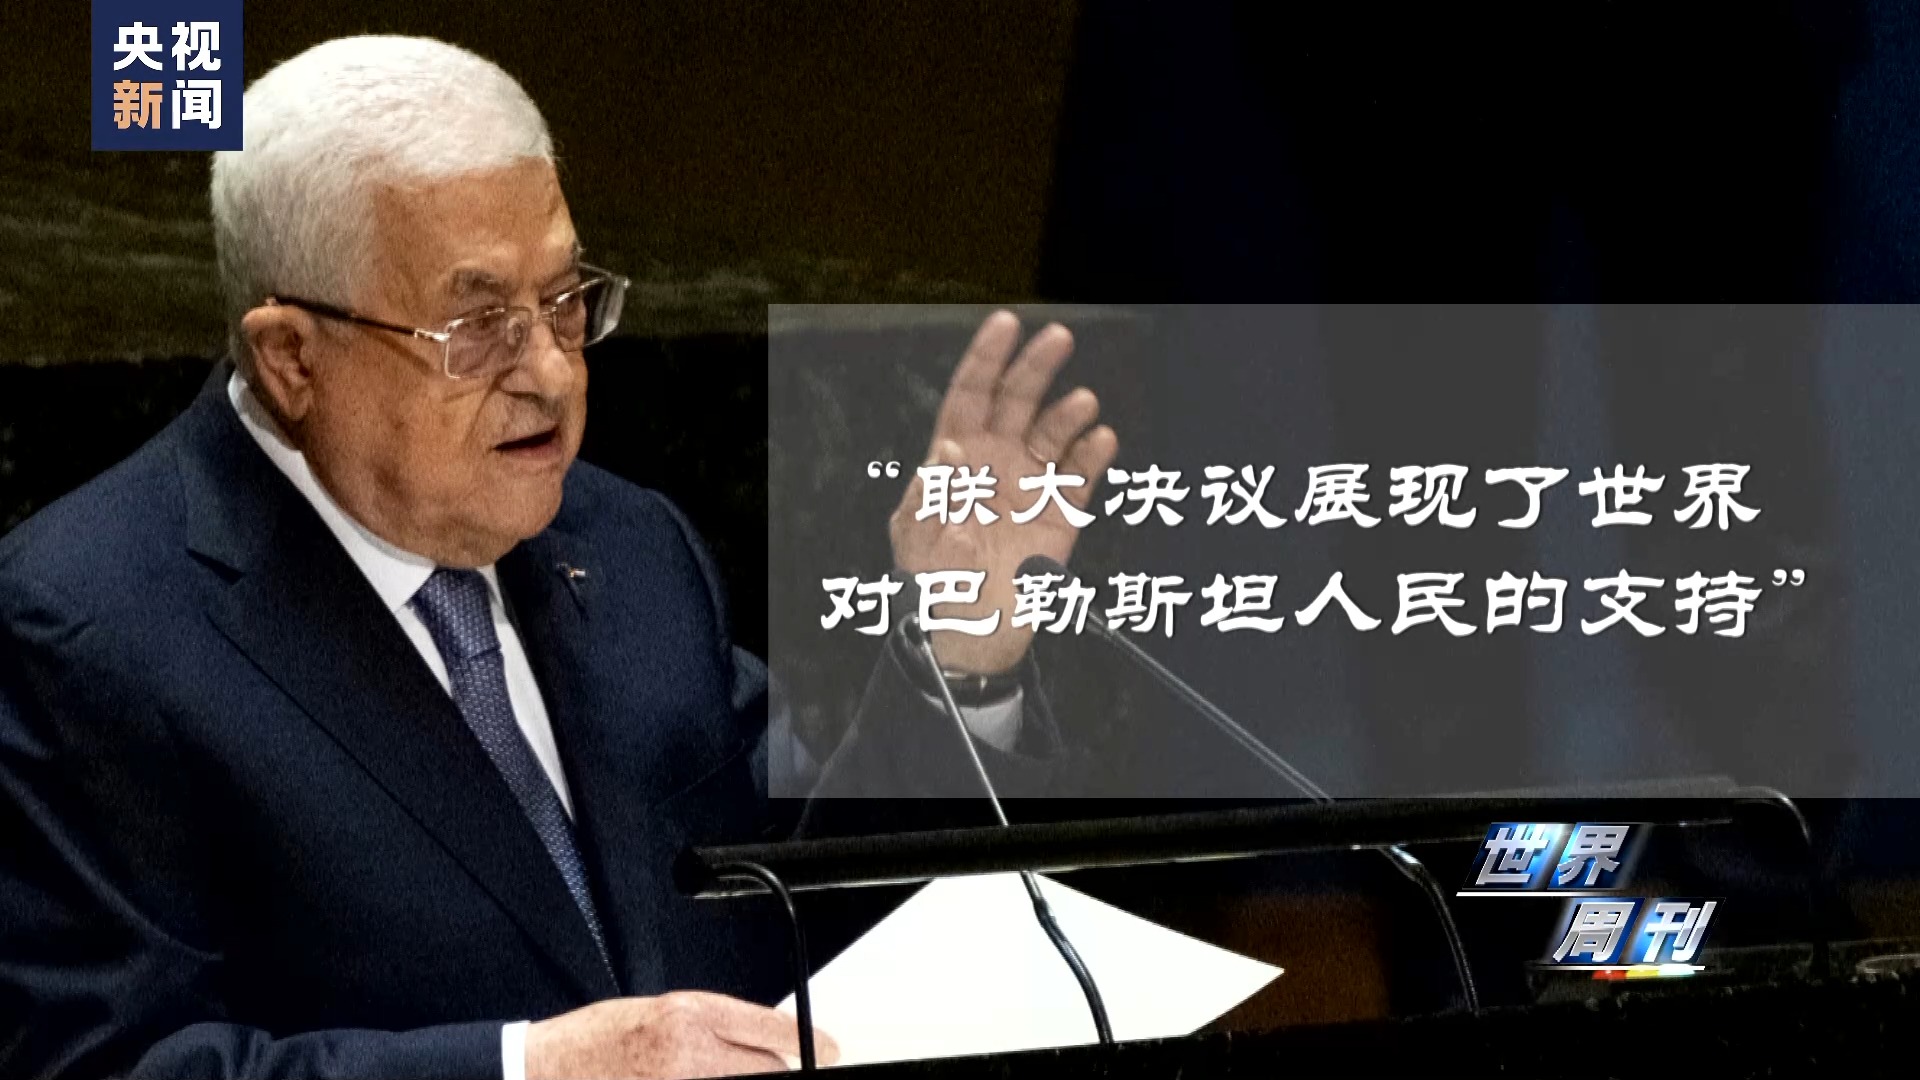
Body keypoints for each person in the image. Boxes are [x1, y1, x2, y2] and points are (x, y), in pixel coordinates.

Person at [0, 36, 1115, 1080]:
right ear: (293, 359)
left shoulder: (626, 545)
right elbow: (107, 1064)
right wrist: (530, 1066)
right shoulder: (85, 631)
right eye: (478, 325)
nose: (552, 372)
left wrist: (961, 654)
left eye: (567, 300)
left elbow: (792, 891)